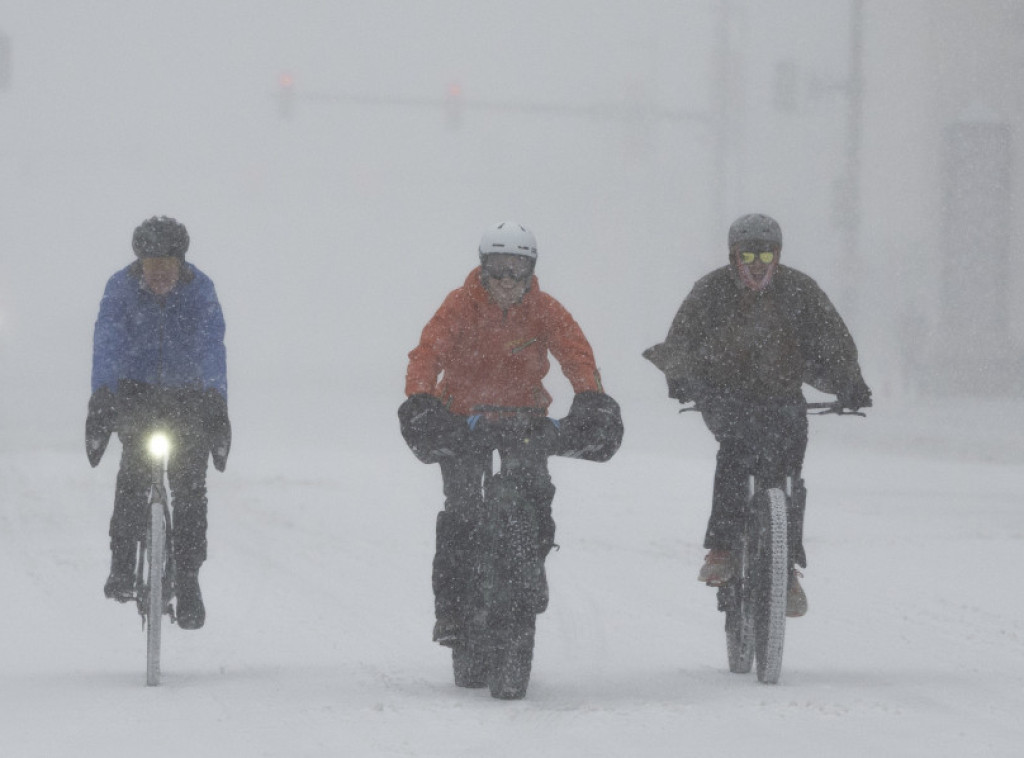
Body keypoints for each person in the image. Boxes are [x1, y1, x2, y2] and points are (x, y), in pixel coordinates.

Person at [399, 221, 623, 649]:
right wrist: (421, 398)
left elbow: (576, 352)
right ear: (483, 269)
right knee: (461, 509)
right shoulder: (460, 306)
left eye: (516, 269)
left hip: (524, 419)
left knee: (536, 492)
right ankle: (451, 609)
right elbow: (427, 353)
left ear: (531, 270)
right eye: (498, 269)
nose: (506, 280)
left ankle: (530, 566)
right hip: (463, 420)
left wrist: (591, 395)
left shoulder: (545, 310)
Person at [643, 213, 871, 617]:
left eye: (766, 253)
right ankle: (723, 547)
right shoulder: (711, 290)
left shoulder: (800, 291)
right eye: (748, 253)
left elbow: (832, 341)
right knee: (735, 449)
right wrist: (680, 377)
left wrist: (849, 382)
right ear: (733, 255)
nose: (758, 262)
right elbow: (682, 340)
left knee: (789, 469)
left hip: (782, 395)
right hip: (725, 395)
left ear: (778, 255)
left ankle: (786, 565)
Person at [85, 216, 230, 630]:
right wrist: (102, 397)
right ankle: (121, 563)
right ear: (140, 265)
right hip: (137, 395)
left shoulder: (200, 290)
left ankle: (188, 579)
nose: (160, 274)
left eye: (167, 265)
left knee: (190, 489)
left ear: (181, 263)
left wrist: (216, 401)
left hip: (188, 398)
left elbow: (211, 347)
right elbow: (107, 341)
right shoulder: (120, 288)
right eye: (152, 266)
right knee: (133, 474)